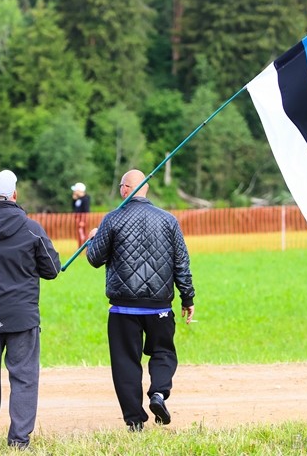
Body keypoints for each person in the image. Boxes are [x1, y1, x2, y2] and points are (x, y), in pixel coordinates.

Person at [86, 169, 195, 432]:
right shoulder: (169, 221)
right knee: (163, 352)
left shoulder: (112, 220)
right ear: (145, 189)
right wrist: (187, 297)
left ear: (125, 189)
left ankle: (135, 421)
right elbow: (182, 264)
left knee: (125, 362)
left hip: (122, 308)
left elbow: (94, 258)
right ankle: (158, 393)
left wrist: (92, 239)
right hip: (159, 306)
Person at [0, 169, 61, 450]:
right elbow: (52, 270)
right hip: (22, 317)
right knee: (25, 378)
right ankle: (19, 440)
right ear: (15, 195)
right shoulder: (32, 228)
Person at [71, 182, 90, 247]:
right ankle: (80, 247)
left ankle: (84, 247)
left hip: (82, 221)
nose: (74, 192)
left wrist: (83, 221)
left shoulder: (86, 199)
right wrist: (74, 200)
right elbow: (74, 208)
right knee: (79, 234)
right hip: (77, 220)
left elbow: (86, 211)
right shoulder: (77, 199)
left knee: (83, 235)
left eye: (75, 190)